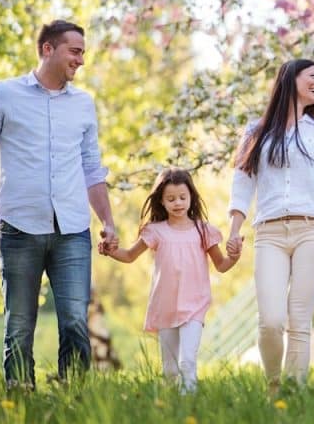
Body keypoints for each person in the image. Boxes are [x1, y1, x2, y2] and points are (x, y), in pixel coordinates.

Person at [0, 19, 119, 389]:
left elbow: (91, 168)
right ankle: (18, 395)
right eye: (75, 51)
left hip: (72, 229)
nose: (81, 60)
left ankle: (74, 396)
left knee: (75, 322)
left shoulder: (83, 105)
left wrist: (108, 221)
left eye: (83, 52)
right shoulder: (5, 94)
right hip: (20, 228)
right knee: (19, 323)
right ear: (48, 49)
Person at [228, 58, 314, 396]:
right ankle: (273, 384)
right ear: (290, 78)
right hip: (268, 232)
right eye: (313, 77)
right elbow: (242, 182)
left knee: (299, 321)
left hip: (313, 230)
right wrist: (235, 229)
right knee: (270, 320)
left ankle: (293, 394)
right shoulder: (256, 131)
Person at [102, 168, 241, 392]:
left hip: (194, 306)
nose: (178, 203)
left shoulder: (203, 231)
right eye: (171, 199)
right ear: (162, 202)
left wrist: (234, 257)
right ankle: (170, 406)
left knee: (187, 361)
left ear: (191, 198)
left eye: (183, 197)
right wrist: (110, 250)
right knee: (169, 370)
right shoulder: (155, 231)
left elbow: (222, 265)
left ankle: (190, 402)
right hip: (165, 308)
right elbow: (128, 256)